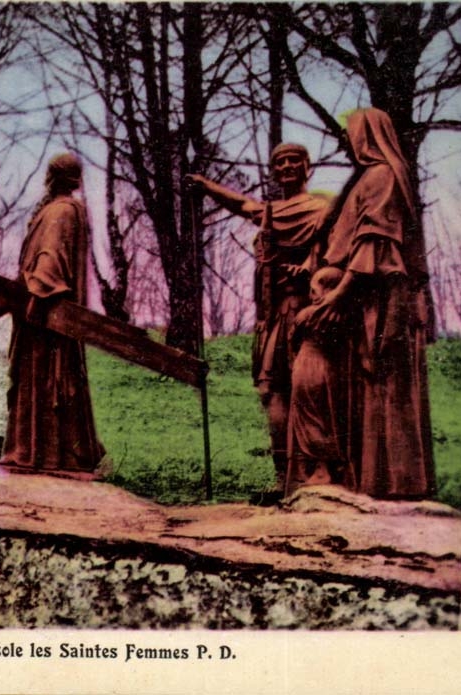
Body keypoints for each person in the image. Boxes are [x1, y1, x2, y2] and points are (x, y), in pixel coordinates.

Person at [186, 144, 331, 497]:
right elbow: (241, 204)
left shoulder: (321, 209)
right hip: (274, 315)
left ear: (307, 167)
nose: (287, 166)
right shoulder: (271, 213)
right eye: (280, 162)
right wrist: (206, 186)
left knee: (307, 390)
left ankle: (314, 472)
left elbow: (333, 252)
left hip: (309, 313)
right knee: (272, 391)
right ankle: (284, 479)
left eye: (294, 160)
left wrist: (310, 267)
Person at [312, 107, 434, 499]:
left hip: (377, 296)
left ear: (367, 135)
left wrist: (340, 292)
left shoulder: (382, 175)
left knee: (382, 379)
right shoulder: (372, 176)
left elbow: (374, 242)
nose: (348, 143)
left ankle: (393, 481)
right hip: (365, 293)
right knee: (372, 385)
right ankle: (373, 478)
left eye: (352, 134)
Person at [0, 153, 105, 476]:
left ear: (52, 177)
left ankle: (46, 455)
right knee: (34, 381)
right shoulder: (58, 210)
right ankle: (37, 452)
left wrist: (39, 289)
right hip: (37, 307)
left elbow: (51, 257)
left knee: (44, 380)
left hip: (46, 312)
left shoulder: (62, 211)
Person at [285, 267, 355, 494]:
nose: (311, 295)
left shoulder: (307, 314)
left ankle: (321, 468)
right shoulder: (343, 316)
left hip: (307, 366)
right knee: (328, 415)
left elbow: (292, 339)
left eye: (314, 290)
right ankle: (332, 466)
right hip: (331, 370)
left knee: (309, 416)